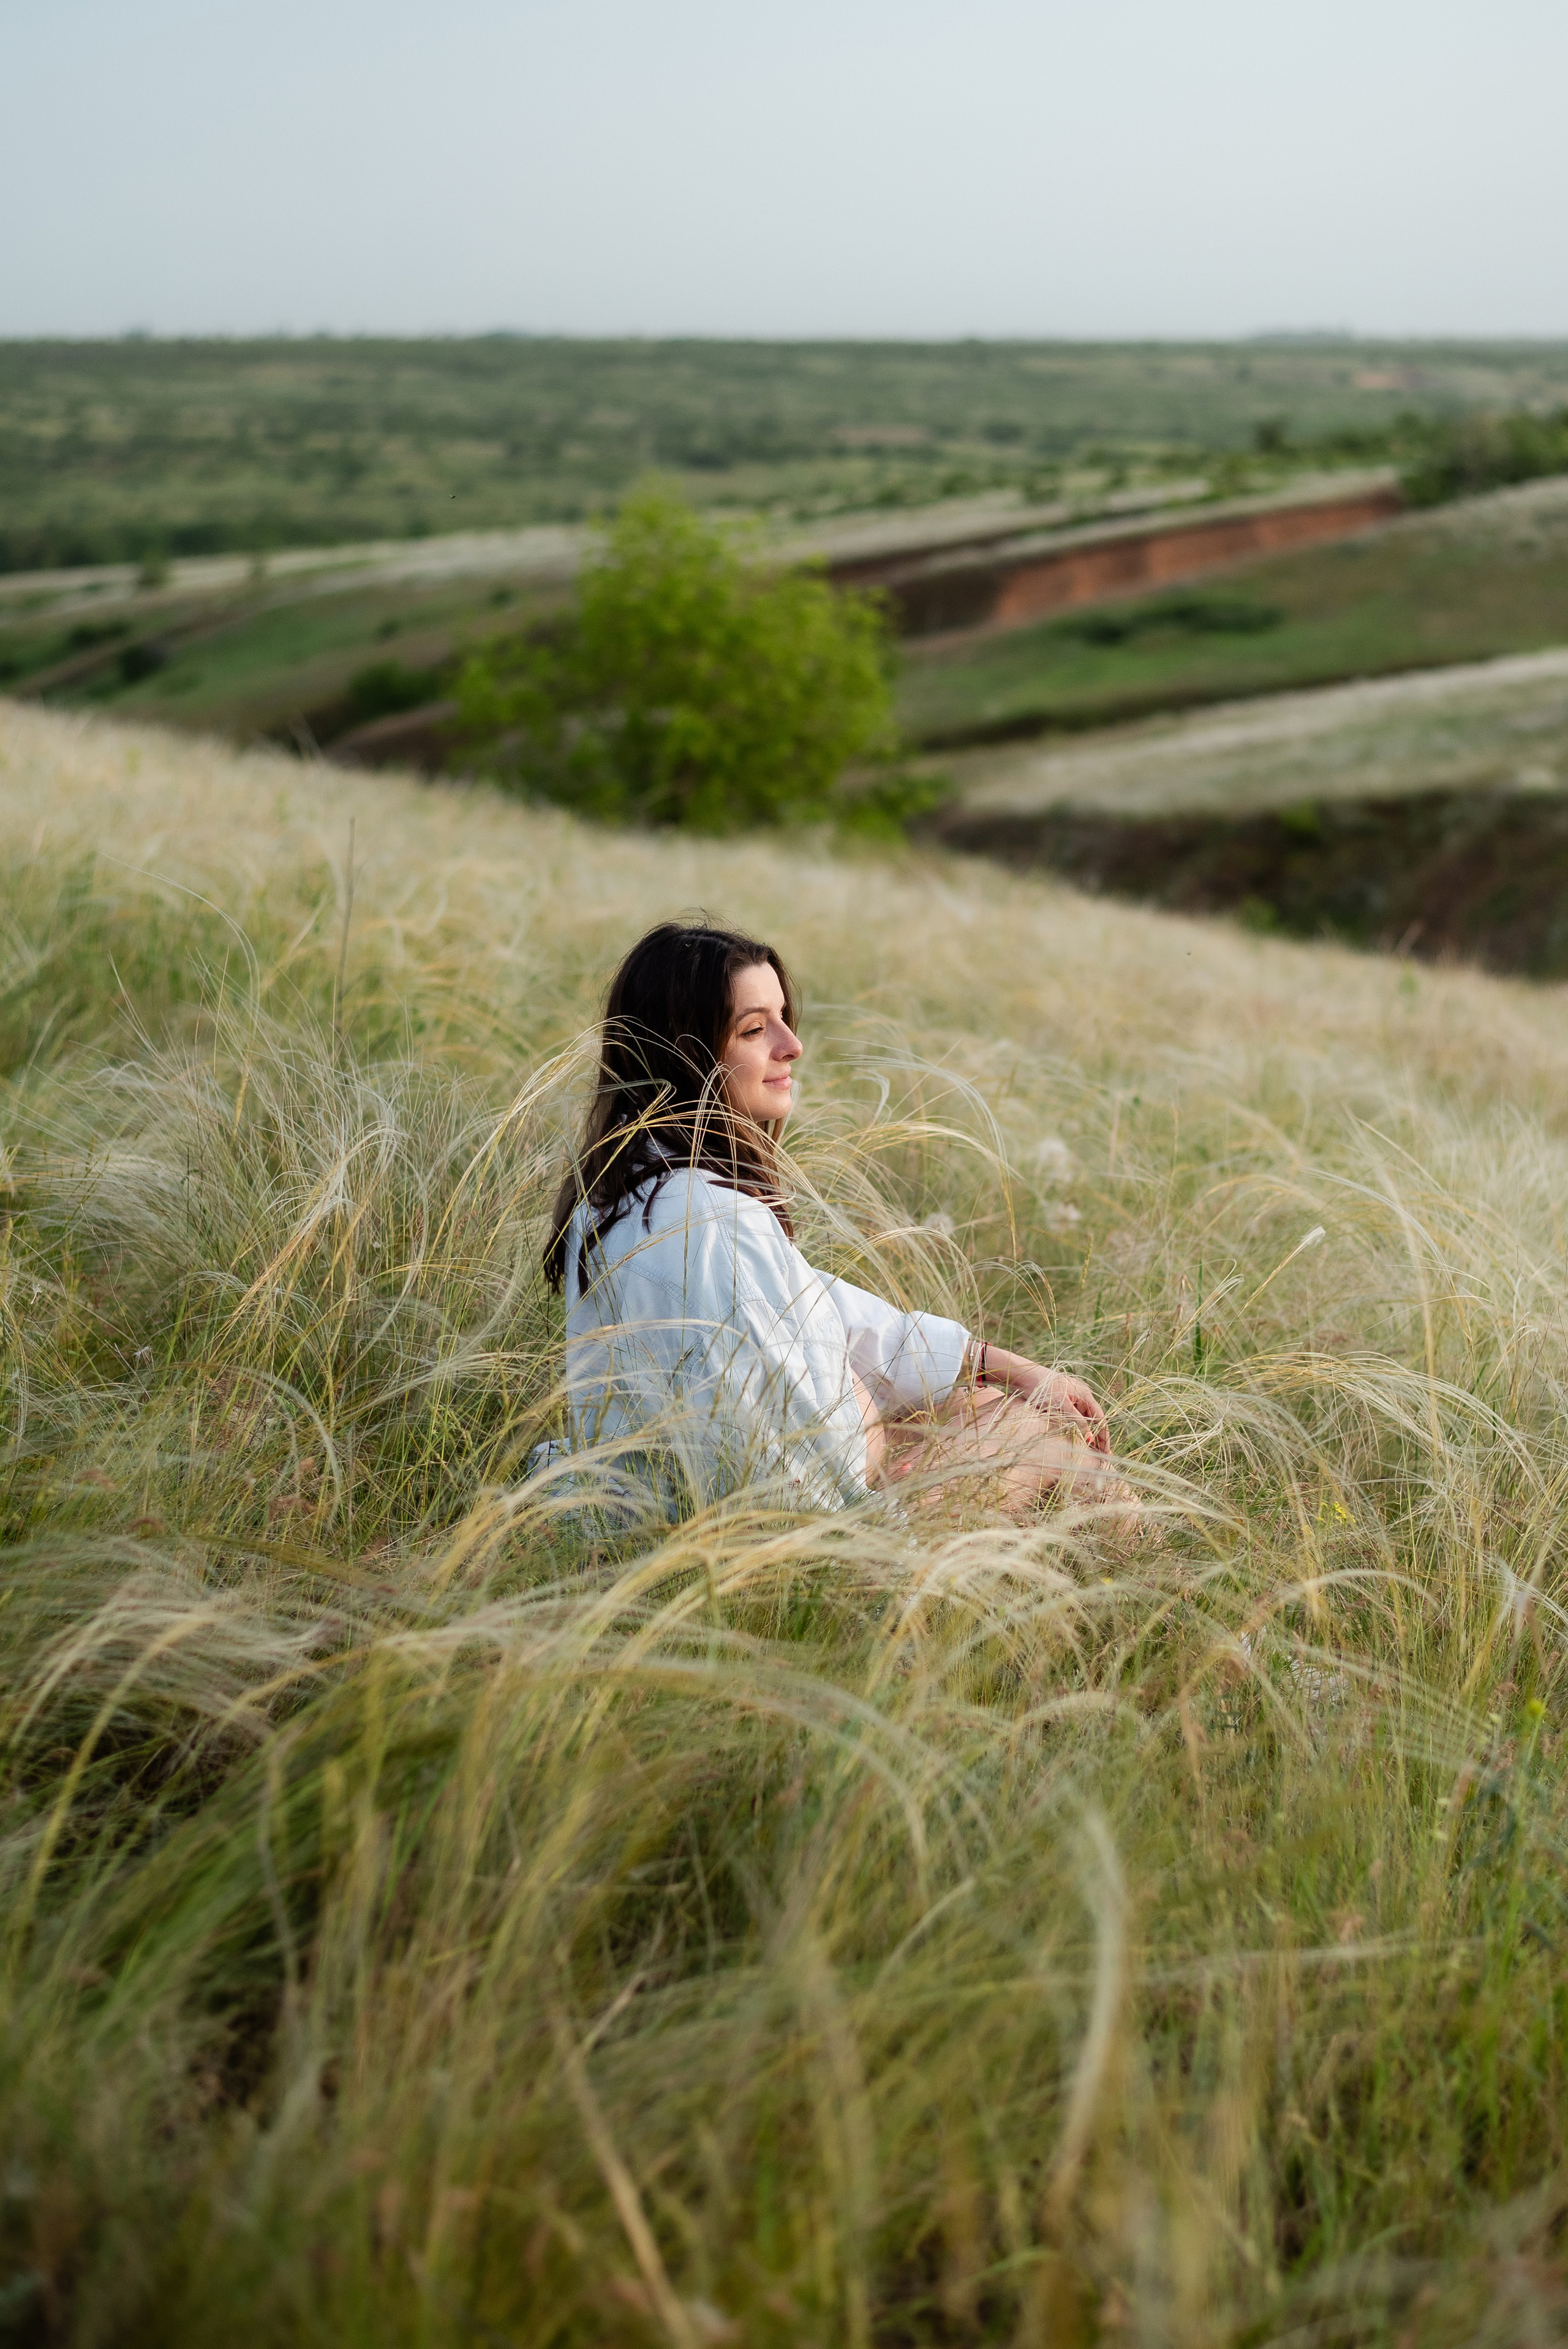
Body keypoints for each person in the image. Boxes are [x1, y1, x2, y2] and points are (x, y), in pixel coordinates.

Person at [543, 918, 1118, 1519]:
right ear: (688, 1052)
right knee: (1039, 1438)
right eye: (753, 1029)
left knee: (999, 1409)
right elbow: (785, 1490)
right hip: (822, 1542)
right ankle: (1158, 1587)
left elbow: (824, 1310)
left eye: (784, 1017)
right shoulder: (709, 1229)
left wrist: (997, 1364)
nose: (791, 1045)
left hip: (789, 1500)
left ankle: (1141, 1580)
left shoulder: (643, 1187)